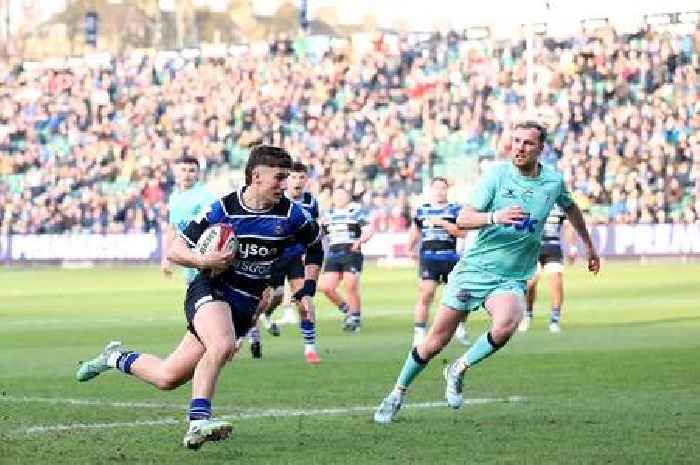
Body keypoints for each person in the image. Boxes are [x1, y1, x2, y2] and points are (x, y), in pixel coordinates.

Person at [76, 145, 324, 449]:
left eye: (286, 178)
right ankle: (198, 423)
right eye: (279, 177)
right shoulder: (223, 209)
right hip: (211, 289)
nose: (285, 185)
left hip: (245, 305)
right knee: (221, 345)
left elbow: (315, 247)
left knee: (167, 377)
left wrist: (308, 287)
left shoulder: (292, 215)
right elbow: (176, 249)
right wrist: (205, 262)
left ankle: (113, 357)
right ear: (256, 176)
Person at [374, 121, 600, 424]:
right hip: (474, 270)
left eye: (527, 143)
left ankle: (458, 368)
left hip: (510, 277)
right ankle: (397, 393)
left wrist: (588, 245)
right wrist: (496, 216)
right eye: (515, 140)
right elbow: (464, 219)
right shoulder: (496, 176)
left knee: (508, 322)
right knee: (434, 342)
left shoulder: (553, 182)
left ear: (540, 149)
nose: (519, 147)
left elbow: (571, 208)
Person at [257, 161, 322, 364]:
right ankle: (254, 333)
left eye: (302, 177)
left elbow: (313, 233)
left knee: (305, 300)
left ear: (307, 180)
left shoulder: (311, 202)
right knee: (269, 299)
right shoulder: (277, 200)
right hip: (274, 258)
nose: (297, 181)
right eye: (293, 176)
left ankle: (310, 349)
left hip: (296, 259)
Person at [409, 177, 469, 346]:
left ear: (447, 190)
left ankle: (460, 326)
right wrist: (410, 248)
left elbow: (462, 233)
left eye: (443, 188)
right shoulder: (422, 210)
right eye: (436, 188)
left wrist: (443, 224)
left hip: (450, 257)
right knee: (426, 293)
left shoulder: (455, 209)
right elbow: (416, 230)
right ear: (431, 190)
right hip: (429, 257)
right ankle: (419, 332)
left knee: (460, 295)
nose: (440, 191)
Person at [318, 187, 373, 332]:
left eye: (342, 195)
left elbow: (369, 229)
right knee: (325, 287)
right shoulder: (327, 215)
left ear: (348, 197)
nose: (339, 198)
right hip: (333, 253)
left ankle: (354, 318)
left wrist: (360, 241)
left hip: (351, 251)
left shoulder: (355, 212)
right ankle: (347, 309)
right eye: (336, 195)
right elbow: (319, 235)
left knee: (350, 285)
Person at [520, 204, 576, 333]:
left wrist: (572, 248)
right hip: (532, 249)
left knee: (556, 281)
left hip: (553, 247)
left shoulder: (559, 204)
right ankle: (527, 313)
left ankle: (554, 319)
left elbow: (568, 226)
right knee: (530, 284)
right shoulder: (531, 201)